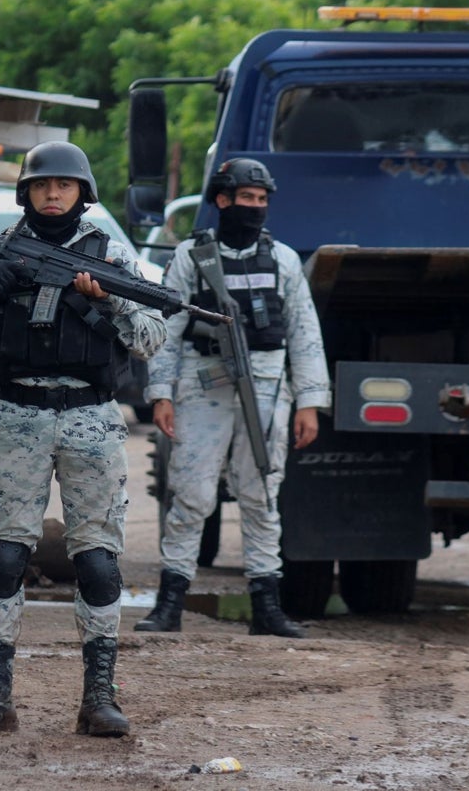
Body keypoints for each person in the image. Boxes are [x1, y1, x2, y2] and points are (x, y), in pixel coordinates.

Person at [0, 141, 167, 738]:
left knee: (96, 562)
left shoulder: (110, 252)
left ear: (82, 193)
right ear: (27, 192)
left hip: (91, 417)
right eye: (43, 185)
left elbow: (150, 337)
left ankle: (99, 698)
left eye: (64, 186)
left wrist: (109, 296)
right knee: (5, 554)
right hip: (18, 413)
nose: (53, 194)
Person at [134, 158, 331, 638]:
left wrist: (309, 401)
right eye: (247, 199)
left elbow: (305, 334)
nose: (256, 208)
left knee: (261, 494)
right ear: (222, 201)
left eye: (262, 201)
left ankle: (267, 606)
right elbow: (169, 327)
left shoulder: (282, 259)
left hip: (266, 388)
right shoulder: (191, 257)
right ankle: (169, 603)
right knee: (191, 494)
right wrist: (161, 393)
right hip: (204, 387)